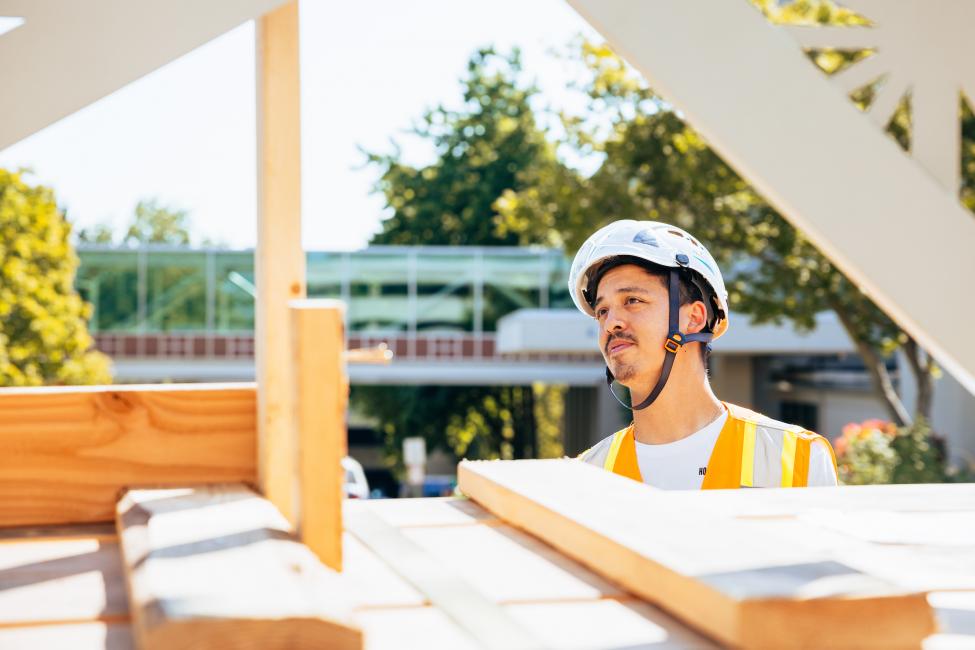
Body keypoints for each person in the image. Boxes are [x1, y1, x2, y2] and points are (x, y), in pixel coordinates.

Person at [572, 220, 837, 489]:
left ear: (694, 318)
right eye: (602, 311)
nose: (610, 323)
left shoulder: (798, 460)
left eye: (633, 301)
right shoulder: (584, 475)